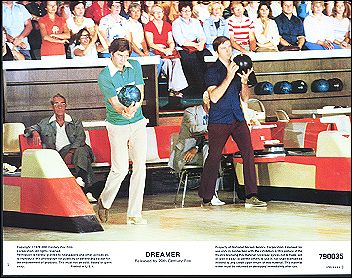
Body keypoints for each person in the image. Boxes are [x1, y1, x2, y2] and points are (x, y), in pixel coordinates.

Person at [198, 36, 267, 208]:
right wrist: (229, 75)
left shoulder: (238, 67)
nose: (228, 50)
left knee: (248, 153)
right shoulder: (212, 71)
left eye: (229, 47)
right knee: (214, 156)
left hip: (237, 117)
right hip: (219, 119)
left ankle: (251, 195)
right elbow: (213, 97)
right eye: (223, 48)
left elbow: (245, 98)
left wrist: (244, 82)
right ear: (217, 51)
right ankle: (206, 195)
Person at [97, 38, 148, 225]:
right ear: (111, 54)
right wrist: (124, 112)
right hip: (117, 124)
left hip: (138, 122)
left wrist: (134, 110)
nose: (123, 59)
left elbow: (139, 93)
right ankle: (104, 201)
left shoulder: (134, 66)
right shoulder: (104, 76)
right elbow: (115, 104)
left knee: (140, 167)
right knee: (120, 169)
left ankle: (135, 214)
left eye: (126, 55)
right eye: (119, 55)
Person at [169, 91, 241, 206]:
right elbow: (194, 129)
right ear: (206, 99)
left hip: (203, 149)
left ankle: (214, 192)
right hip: (187, 153)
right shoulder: (190, 112)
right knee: (211, 151)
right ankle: (211, 193)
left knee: (215, 151)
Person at [23, 93, 96, 202]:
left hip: (76, 150)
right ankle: (87, 190)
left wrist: (70, 152)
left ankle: (81, 179)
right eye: (56, 104)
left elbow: (81, 138)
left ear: (66, 106)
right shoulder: (45, 123)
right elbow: (28, 129)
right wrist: (35, 132)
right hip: (60, 154)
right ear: (52, 107)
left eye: (62, 104)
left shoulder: (75, 121)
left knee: (81, 150)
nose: (60, 106)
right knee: (83, 157)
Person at [144, 4, 188, 98]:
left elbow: (170, 40)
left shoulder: (167, 25)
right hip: (155, 49)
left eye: (160, 12)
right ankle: (173, 90)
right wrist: (163, 51)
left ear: (163, 13)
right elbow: (151, 44)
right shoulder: (149, 26)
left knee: (176, 61)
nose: (158, 14)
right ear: (152, 14)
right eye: (156, 12)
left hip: (167, 48)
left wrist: (170, 48)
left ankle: (175, 89)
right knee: (167, 62)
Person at [172, 1, 212, 98]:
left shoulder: (195, 21)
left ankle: (209, 86)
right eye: (184, 11)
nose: (186, 13)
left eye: (188, 11)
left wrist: (201, 43)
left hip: (197, 45)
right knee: (191, 60)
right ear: (180, 12)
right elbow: (180, 40)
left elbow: (201, 35)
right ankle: (197, 88)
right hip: (184, 48)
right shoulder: (176, 23)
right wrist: (195, 45)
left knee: (209, 57)